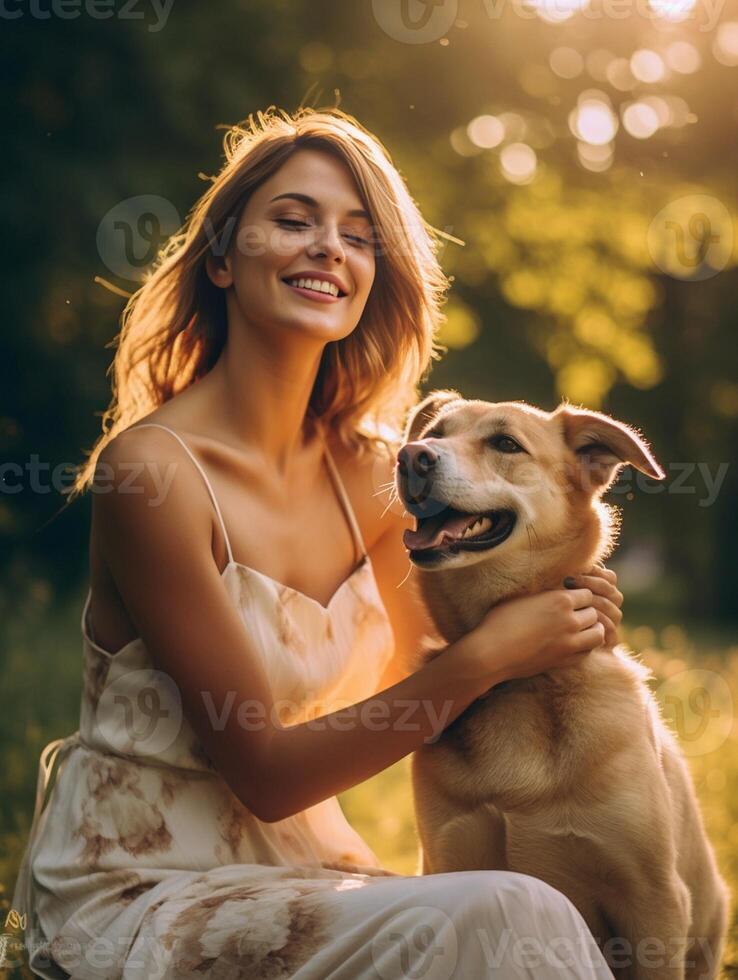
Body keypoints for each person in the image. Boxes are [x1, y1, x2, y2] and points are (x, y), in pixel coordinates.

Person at [11, 106, 623, 979]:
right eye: (294, 221)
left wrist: (559, 612)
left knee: (509, 910)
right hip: (142, 891)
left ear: (373, 275)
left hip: (305, 878)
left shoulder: (376, 477)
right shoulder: (150, 474)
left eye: (359, 235)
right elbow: (265, 770)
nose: (329, 247)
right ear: (220, 258)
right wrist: (486, 659)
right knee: (508, 909)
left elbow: (438, 681)